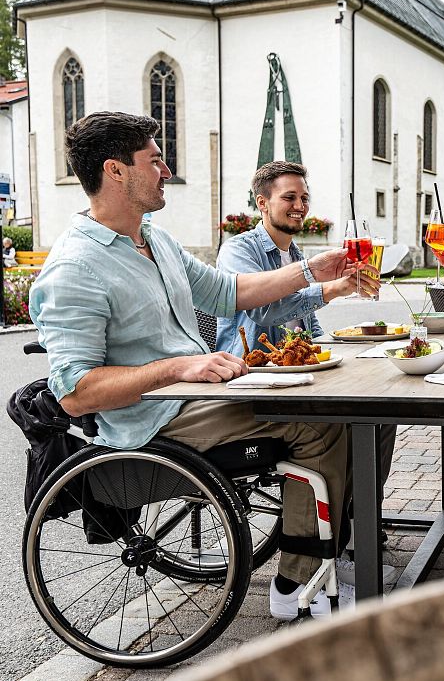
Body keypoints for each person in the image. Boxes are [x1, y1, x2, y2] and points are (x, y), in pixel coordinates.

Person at [29, 112, 355, 619]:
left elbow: (229, 292)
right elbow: (76, 392)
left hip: (195, 399)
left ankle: (328, 550)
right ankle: (298, 583)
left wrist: (311, 269)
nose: (166, 169)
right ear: (116, 172)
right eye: (155, 160)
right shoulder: (75, 267)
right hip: (152, 420)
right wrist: (178, 367)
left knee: (338, 405)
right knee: (321, 421)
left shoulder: (154, 240)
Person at [216, 160, 396, 585]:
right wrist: (330, 289)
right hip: (256, 375)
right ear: (262, 203)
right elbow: (262, 307)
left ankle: (353, 527)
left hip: (298, 372)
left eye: (304, 198)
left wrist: (340, 344)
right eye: (289, 198)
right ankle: (322, 552)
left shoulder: (296, 253)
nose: (300, 206)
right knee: (342, 423)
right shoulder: (239, 250)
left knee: (383, 414)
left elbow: (308, 327)